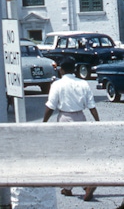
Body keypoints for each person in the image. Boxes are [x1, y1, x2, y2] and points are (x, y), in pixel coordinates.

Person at [43, 58, 99, 201]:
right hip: (81, 118)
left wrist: (44, 122)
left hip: (65, 119)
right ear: (74, 69)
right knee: (81, 153)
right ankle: (85, 184)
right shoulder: (83, 83)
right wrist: (98, 122)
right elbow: (92, 106)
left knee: (67, 155)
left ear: (61, 69)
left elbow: (51, 106)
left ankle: (68, 187)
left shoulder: (57, 84)